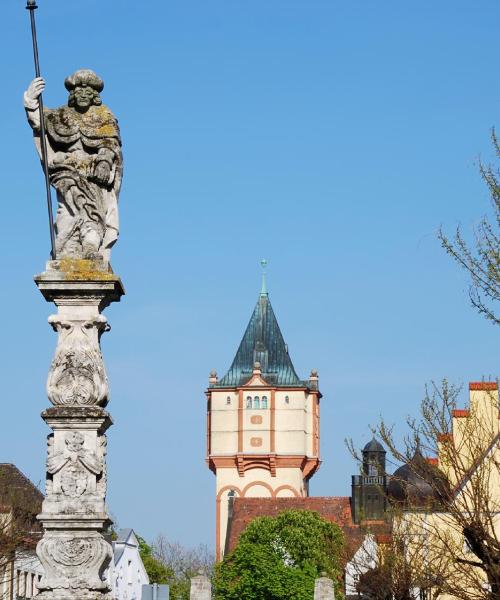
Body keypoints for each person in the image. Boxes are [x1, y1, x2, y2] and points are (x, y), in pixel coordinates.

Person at [24, 69, 123, 261]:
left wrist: (103, 162)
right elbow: (39, 123)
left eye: (87, 91)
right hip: (65, 171)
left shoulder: (104, 116)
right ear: (72, 94)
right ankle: (67, 248)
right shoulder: (62, 116)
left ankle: (90, 246)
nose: (83, 94)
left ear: (94, 95)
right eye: (79, 91)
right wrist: (31, 99)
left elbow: (110, 144)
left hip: (92, 174)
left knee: (93, 210)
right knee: (66, 213)